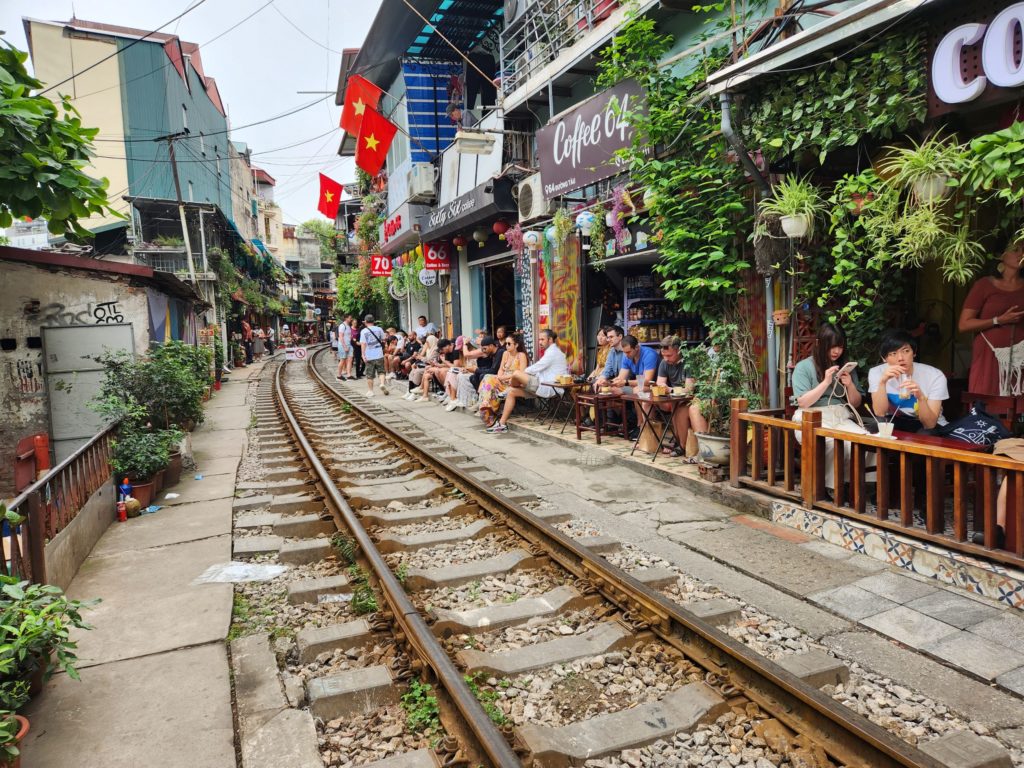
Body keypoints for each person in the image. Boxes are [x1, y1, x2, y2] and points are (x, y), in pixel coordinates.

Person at [791, 323, 871, 489]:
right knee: (832, 443)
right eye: (832, 346)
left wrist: (850, 385)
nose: (836, 351)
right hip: (811, 416)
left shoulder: (845, 367)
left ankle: (854, 486)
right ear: (820, 344)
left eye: (840, 347)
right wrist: (826, 381)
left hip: (840, 416)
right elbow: (803, 402)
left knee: (865, 442)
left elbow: (855, 403)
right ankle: (827, 487)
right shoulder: (804, 367)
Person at [958, 241, 1024, 396]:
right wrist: (998, 320)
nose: (1021, 254)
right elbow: (964, 324)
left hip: (1020, 356)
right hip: (990, 354)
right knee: (988, 398)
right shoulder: (984, 285)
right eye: (1015, 250)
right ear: (1001, 255)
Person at [488, 329, 569, 434]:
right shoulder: (550, 351)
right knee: (512, 392)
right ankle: (502, 424)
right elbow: (538, 371)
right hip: (540, 385)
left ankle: (508, 389)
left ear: (550, 340)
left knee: (517, 374)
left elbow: (536, 368)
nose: (539, 342)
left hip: (549, 388)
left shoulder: (553, 352)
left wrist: (519, 375)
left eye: (542, 339)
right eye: (539, 339)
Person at [869, 329, 948, 433]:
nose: (901, 358)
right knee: (876, 427)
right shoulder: (877, 372)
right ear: (884, 358)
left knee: (925, 434)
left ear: (914, 353)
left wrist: (920, 397)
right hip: (896, 420)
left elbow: (929, 424)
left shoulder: (935, 375)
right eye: (893, 353)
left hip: (929, 424)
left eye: (906, 351)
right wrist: (882, 382)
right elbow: (880, 413)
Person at [641, 335, 698, 458]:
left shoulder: (689, 362)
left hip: (689, 399)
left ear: (678, 351)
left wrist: (669, 389)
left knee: (678, 408)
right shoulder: (664, 363)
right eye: (663, 355)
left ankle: (681, 445)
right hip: (673, 398)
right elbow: (661, 382)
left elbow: (689, 390)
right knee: (646, 403)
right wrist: (659, 387)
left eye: (669, 355)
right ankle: (651, 440)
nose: (665, 359)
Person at [614, 335, 660, 440]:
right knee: (613, 390)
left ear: (637, 348)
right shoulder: (627, 356)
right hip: (640, 386)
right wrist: (610, 382)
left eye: (628, 352)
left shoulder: (649, 354)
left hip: (656, 386)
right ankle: (626, 422)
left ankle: (640, 426)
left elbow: (647, 380)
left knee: (638, 390)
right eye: (624, 352)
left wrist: (626, 382)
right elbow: (621, 377)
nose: (626, 355)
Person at [478, 333, 528, 426]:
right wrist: (500, 376)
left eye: (509, 344)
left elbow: (522, 373)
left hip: (512, 382)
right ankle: (486, 408)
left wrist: (504, 377)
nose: (506, 346)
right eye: (506, 344)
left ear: (516, 345)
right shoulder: (505, 354)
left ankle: (489, 411)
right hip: (502, 381)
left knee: (490, 379)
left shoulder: (521, 355)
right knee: (487, 377)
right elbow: (500, 369)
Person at [414, 338, 457, 403]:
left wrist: (442, 363)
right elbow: (446, 364)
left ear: (447, 346)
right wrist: (437, 365)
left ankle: (447, 392)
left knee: (437, 371)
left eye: (442, 349)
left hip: (453, 370)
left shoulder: (454, 351)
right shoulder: (445, 352)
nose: (441, 351)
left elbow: (455, 366)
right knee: (427, 373)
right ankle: (424, 395)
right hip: (445, 369)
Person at [359, 314, 389, 397]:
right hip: (379, 354)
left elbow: (363, 344)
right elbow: (384, 339)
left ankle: (371, 391)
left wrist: (363, 354)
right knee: (381, 371)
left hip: (369, 356)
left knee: (369, 375)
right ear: (373, 321)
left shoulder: (364, 331)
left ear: (365, 322)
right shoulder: (379, 329)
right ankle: (382, 383)